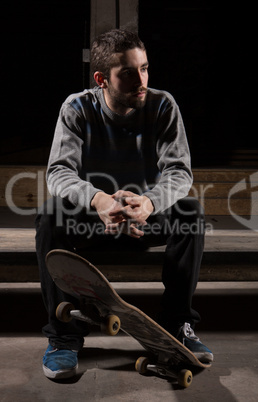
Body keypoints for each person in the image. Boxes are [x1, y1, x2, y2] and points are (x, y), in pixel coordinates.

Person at [36, 29, 213, 380]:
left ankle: (179, 324)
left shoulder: (163, 105)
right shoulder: (77, 107)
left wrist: (148, 203)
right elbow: (58, 173)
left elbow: (179, 172)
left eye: (144, 69)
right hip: (93, 223)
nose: (141, 80)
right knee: (49, 216)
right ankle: (63, 336)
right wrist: (99, 199)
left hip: (142, 219)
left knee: (191, 213)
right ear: (102, 79)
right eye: (129, 73)